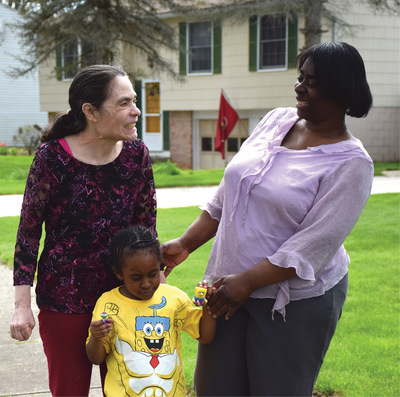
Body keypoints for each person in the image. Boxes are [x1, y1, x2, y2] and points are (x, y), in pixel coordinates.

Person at [161, 42, 374, 396]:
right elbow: (229, 194)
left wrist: (245, 282)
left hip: (294, 301)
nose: (299, 87)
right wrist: (185, 244)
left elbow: (312, 246)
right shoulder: (276, 120)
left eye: (313, 81)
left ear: (341, 90)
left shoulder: (352, 163)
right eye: (299, 77)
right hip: (225, 286)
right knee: (215, 388)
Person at [10, 65, 157, 396]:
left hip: (125, 296)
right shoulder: (51, 158)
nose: (136, 110)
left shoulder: (137, 155)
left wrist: (154, 280)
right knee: (70, 390)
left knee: (127, 390)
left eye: (134, 101)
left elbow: (146, 226)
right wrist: (22, 304)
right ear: (90, 111)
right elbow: (28, 233)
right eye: (123, 103)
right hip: (64, 298)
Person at [86, 225, 216, 396]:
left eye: (153, 274)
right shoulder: (108, 304)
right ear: (118, 273)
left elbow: (205, 336)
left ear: (159, 266)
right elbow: (96, 358)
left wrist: (208, 305)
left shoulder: (174, 299)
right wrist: (96, 337)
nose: (146, 283)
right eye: (136, 278)